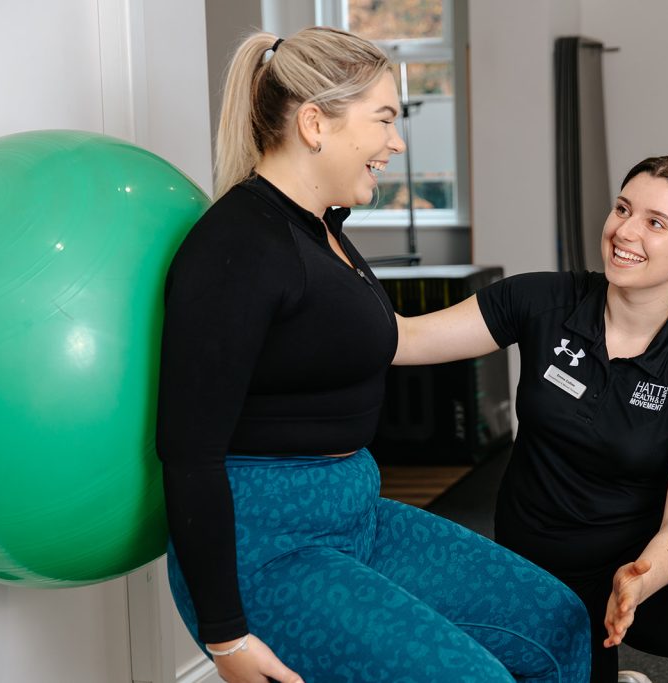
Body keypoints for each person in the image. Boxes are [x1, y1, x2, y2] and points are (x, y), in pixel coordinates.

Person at [155, 27, 591, 683]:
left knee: (559, 618)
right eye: (384, 119)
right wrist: (226, 638)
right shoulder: (238, 247)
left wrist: (546, 302)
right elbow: (188, 453)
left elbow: (389, 337)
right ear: (313, 123)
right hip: (266, 547)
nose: (396, 141)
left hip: (354, 513)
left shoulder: (323, 228)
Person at [393, 155, 668, 683]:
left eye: (655, 222)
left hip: (631, 564)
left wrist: (639, 579)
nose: (625, 231)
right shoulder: (542, 300)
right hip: (533, 565)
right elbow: (407, 338)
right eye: (622, 209)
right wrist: (323, 226)